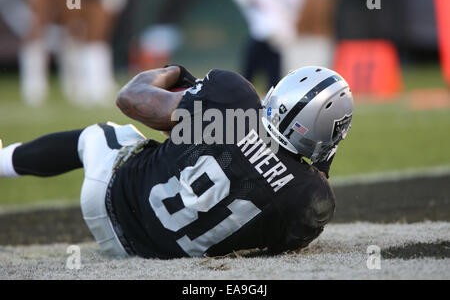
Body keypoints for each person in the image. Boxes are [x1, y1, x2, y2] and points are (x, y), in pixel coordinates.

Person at [0, 65, 354, 259]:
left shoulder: (233, 97)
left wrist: (173, 72)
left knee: (98, 135)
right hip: (153, 256)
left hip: (113, 200)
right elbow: (297, 195)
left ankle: (3, 161)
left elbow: (131, 99)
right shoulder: (313, 202)